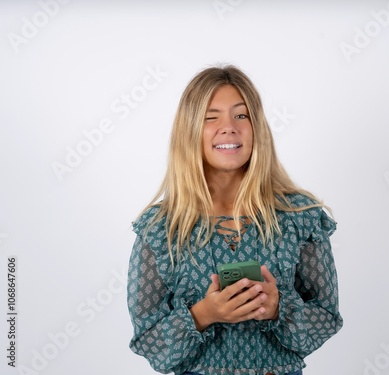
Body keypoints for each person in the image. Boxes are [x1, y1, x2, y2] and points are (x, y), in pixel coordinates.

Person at [127, 65, 343, 375]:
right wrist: (204, 314)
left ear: (258, 128)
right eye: (210, 117)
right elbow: (148, 341)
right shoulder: (161, 228)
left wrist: (278, 309)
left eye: (241, 115)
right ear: (190, 130)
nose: (228, 127)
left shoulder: (300, 216)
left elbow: (327, 316)